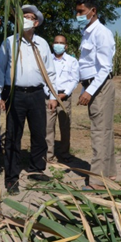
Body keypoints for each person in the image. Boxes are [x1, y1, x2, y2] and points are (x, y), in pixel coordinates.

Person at [0, 5, 58, 195]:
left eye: (30, 17)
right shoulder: (9, 42)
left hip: (37, 94)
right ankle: (11, 178)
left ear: (36, 23)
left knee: (39, 134)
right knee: (13, 136)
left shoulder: (42, 44)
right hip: (15, 94)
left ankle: (36, 170)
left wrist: (53, 95)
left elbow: (50, 71)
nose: (26, 20)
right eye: (23, 16)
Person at [75, 0, 117, 189]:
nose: (78, 16)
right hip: (92, 85)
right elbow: (87, 65)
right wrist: (84, 87)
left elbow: (104, 68)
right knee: (104, 130)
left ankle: (97, 182)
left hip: (100, 88)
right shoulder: (87, 32)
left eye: (81, 12)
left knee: (100, 132)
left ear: (93, 11)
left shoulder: (102, 33)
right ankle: (109, 173)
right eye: (77, 12)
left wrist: (89, 91)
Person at [46, 34, 79, 164]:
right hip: (49, 96)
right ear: (52, 44)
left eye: (61, 43)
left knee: (64, 126)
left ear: (66, 46)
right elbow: (44, 78)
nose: (58, 45)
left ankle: (64, 153)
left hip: (64, 97)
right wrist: (50, 94)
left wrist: (65, 94)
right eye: (56, 42)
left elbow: (74, 79)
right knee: (48, 126)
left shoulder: (71, 61)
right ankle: (49, 154)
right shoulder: (47, 60)